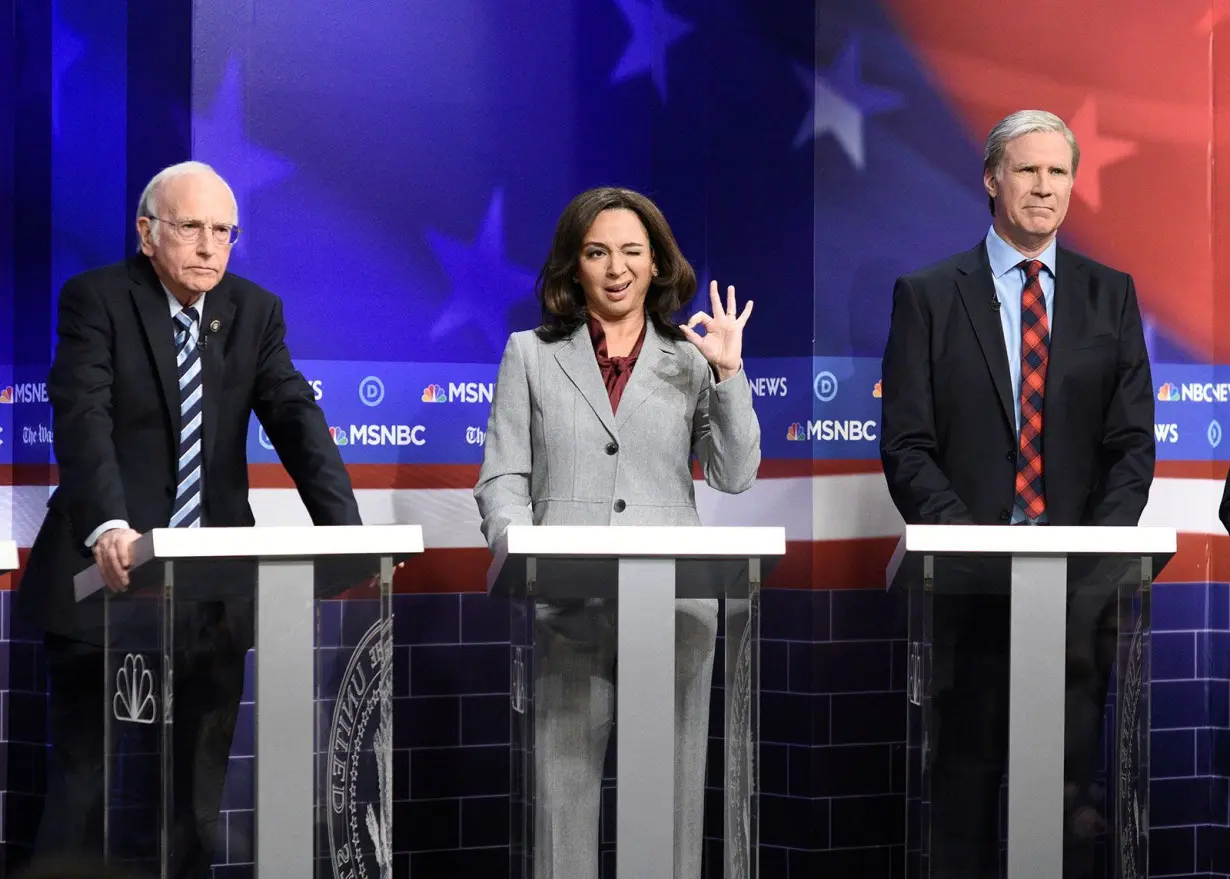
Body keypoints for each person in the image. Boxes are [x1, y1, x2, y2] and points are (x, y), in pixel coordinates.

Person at [17, 161, 361, 877]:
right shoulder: (97, 300)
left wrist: (349, 533)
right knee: (83, 789)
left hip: (211, 596)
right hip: (100, 585)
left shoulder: (254, 311)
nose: (208, 246)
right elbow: (84, 418)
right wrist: (109, 524)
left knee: (195, 804)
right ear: (148, 234)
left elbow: (297, 418)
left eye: (223, 232)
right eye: (190, 228)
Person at [879, 110, 1154, 877]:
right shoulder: (928, 295)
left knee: (1068, 809)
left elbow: (1130, 448)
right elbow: (907, 446)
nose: (1043, 186)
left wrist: (1088, 572)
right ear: (993, 180)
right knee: (962, 802)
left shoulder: (1112, 297)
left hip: (1078, 606)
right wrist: (976, 551)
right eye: (1027, 170)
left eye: (1057, 171)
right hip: (967, 602)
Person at [475, 186, 760, 878]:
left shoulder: (690, 359)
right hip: (569, 610)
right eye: (598, 252)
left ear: (658, 263)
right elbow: (501, 478)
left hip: (675, 613)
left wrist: (729, 370)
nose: (616, 267)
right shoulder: (530, 355)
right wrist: (526, 553)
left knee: (669, 812)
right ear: (574, 266)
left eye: (633, 251)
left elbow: (736, 470)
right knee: (563, 809)